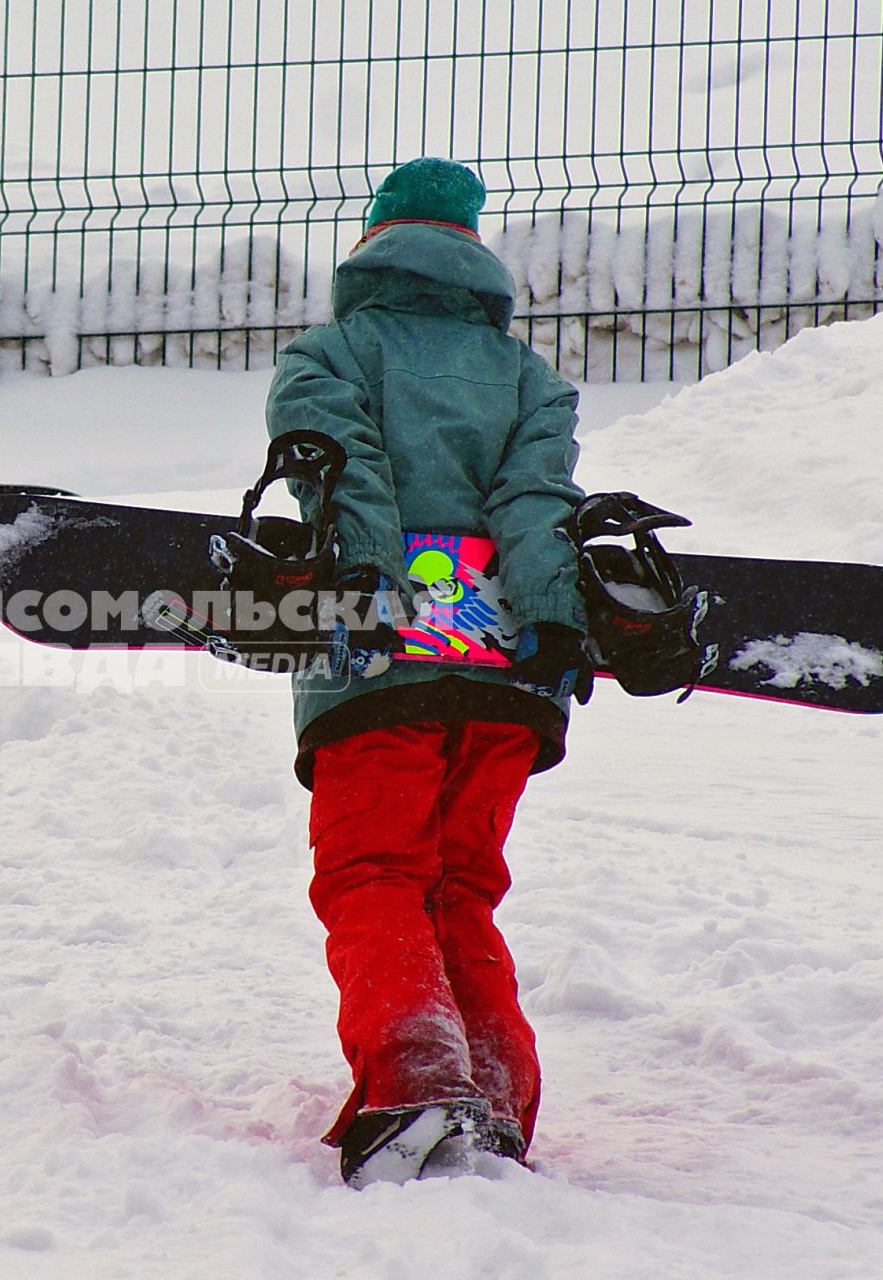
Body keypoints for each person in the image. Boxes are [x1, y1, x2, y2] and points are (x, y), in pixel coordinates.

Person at [265, 157, 590, 1187]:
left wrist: (363, 587)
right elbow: (536, 503)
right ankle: (492, 1099)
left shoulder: (329, 352)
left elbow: (341, 467)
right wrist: (548, 618)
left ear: (370, 243)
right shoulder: (528, 378)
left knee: (374, 873)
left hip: (381, 665)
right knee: (459, 885)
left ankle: (412, 1079)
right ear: (471, 257)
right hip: (505, 676)